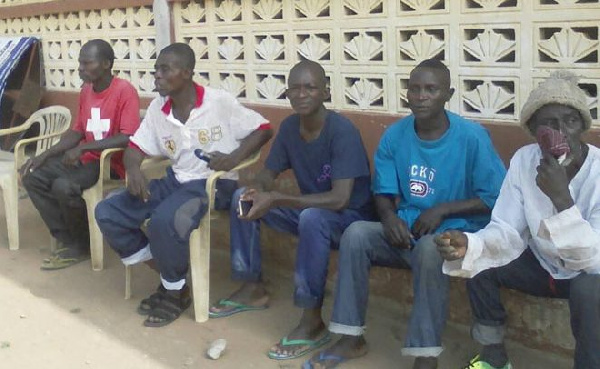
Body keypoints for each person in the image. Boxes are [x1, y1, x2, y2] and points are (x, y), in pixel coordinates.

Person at [305, 59, 506, 369]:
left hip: (457, 235)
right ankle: (349, 336)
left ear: (448, 94)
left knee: (430, 248)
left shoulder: (471, 137)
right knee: (357, 233)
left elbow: (495, 197)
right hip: (408, 229)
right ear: (407, 94)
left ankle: (425, 354)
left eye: (431, 89)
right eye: (415, 89)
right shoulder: (395, 136)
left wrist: (443, 209)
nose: (421, 96)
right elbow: (383, 193)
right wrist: (388, 218)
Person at [94, 43, 272, 328]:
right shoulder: (158, 108)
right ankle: (171, 279)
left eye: (165, 69)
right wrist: (132, 169)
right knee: (108, 211)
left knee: (165, 221)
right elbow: (136, 147)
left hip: (213, 185)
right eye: (156, 70)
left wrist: (233, 158)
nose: (157, 76)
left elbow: (263, 129)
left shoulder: (218, 102)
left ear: (187, 73)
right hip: (175, 181)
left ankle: (175, 293)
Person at [208, 60, 374, 360]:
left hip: (352, 221)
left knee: (312, 219)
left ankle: (312, 320)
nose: (302, 94)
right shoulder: (289, 128)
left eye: (310, 87)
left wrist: (277, 199)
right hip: (315, 213)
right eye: (295, 88)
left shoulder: (342, 131)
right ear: (286, 93)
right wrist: (259, 189)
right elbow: (268, 173)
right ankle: (251, 287)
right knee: (241, 197)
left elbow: (340, 199)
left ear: (325, 91)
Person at [436, 72, 600, 369]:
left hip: (586, 273)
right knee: (480, 260)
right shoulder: (525, 160)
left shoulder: (598, 172)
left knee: (591, 289)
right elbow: (507, 228)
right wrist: (471, 244)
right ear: (534, 130)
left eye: (570, 121)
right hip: (541, 265)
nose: (560, 131)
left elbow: (594, 259)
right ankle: (493, 355)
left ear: (583, 126)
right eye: (548, 124)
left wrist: (562, 200)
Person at [21, 39, 140, 270]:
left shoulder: (125, 91)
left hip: (111, 163)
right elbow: (78, 130)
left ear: (106, 64)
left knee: (63, 186)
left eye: (87, 63)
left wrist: (84, 148)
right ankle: (68, 239)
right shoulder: (86, 91)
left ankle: (81, 245)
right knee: (32, 176)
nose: (81, 69)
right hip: (86, 160)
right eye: (80, 63)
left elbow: (127, 136)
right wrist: (45, 154)